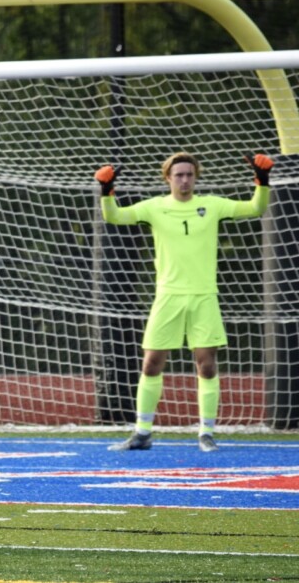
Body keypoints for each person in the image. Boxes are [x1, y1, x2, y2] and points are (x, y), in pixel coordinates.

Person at [95, 152, 273, 452]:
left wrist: (262, 180)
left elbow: (256, 207)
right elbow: (113, 216)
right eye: (178, 175)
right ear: (168, 178)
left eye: (189, 174)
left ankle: (206, 433)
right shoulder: (155, 207)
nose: (184, 179)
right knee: (151, 364)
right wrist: (107, 191)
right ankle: (142, 433)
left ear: (196, 177)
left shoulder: (212, 205)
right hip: (167, 297)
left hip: (204, 297)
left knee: (206, 365)